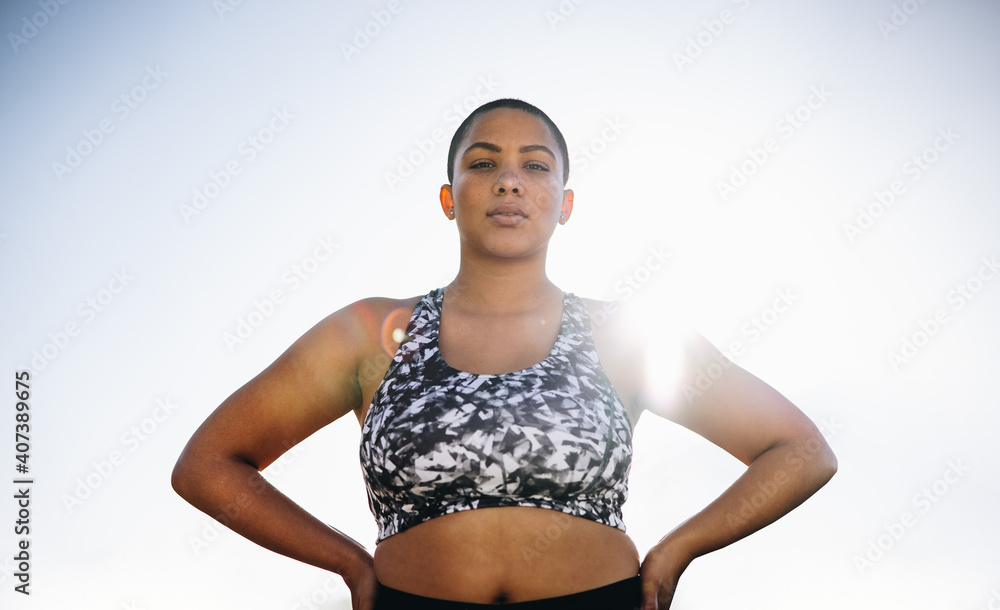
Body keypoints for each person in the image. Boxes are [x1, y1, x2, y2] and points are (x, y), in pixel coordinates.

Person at [171, 98, 837, 609]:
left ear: (565, 204)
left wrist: (676, 552)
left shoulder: (626, 334)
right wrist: (346, 561)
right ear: (448, 198)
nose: (509, 181)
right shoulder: (369, 332)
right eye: (483, 163)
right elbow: (207, 465)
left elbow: (800, 451)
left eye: (536, 166)